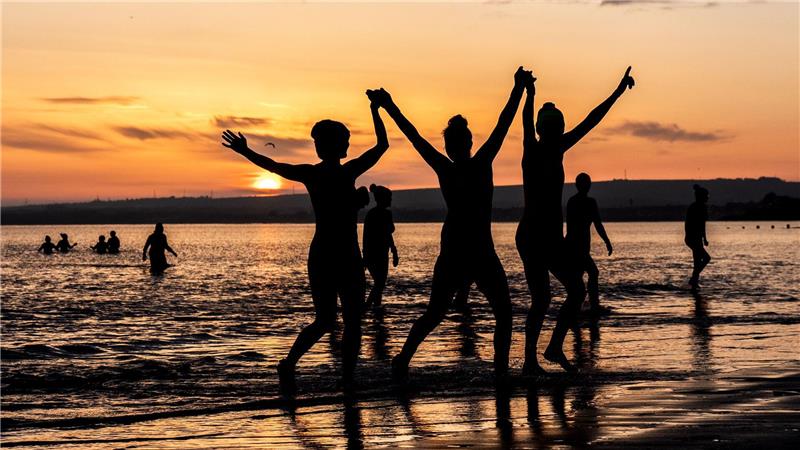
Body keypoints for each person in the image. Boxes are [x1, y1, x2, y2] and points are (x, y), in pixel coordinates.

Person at [369, 66, 532, 380]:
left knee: (436, 312)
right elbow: (503, 123)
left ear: (449, 146)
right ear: (469, 142)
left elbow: (414, 135)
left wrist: (389, 106)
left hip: (461, 249)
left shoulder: (447, 167)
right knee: (502, 313)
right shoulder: (481, 162)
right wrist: (518, 88)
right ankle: (498, 371)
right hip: (475, 250)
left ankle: (403, 360)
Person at [221, 91, 390, 387]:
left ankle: (298, 367)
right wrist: (376, 110)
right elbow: (382, 145)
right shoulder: (342, 172)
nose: (348, 144)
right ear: (336, 145)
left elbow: (274, 166)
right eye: (345, 140)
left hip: (330, 254)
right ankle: (328, 374)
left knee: (329, 321)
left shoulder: (316, 174)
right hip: (339, 255)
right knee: (346, 322)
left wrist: (245, 152)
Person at [517, 67, 634, 374]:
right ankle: (533, 359)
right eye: (554, 129)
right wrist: (529, 95)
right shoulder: (535, 149)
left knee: (572, 292)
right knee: (543, 298)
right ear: (549, 131)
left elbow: (592, 120)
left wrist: (618, 91)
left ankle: (552, 348)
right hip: (533, 236)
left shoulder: (554, 148)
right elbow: (527, 123)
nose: (559, 134)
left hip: (548, 237)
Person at [565, 173, 613, 315]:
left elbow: (597, 225)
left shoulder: (573, 201)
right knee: (592, 272)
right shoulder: (587, 202)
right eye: (586, 183)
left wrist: (607, 241)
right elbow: (597, 224)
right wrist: (607, 242)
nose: (588, 186)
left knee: (578, 278)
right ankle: (592, 305)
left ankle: (580, 308)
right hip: (577, 247)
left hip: (575, 246)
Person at [362, 184, 399, 309]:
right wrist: (365, 256)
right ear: (382, 199)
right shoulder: (373, 215)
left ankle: (376, 309)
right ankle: (367, 307)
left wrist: (394, 251)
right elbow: (366, 236)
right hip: (374, 253)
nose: (391, 201)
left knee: (380, 284)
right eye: (389, 198)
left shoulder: (385, 214)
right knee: (379, 283)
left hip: (383, 253)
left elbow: (388, 234)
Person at [685, 184, 711, 289]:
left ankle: (694, 283)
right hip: (694, 239)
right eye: (706, 196)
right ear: (701, 196)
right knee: (706, 258)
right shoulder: (700, 208)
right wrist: (704, 238)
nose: (708, 197)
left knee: (697, 261)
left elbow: (690, 225)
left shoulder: (692, 206)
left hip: (692, 238)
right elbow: (701, 224)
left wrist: (702, 239)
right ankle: (693, 278)